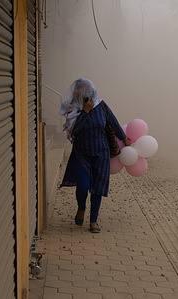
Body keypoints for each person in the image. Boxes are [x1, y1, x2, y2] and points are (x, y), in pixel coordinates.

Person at [58, 78, 131, 233]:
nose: (87, 94)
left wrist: (124, 138)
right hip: (81, 153)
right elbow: (75, 130)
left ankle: (93, 221)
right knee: (83, 186)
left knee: (98, 188)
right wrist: (85, 111)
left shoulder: (102, 106)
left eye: (88, 90)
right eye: (83, 91)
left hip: (101, 153)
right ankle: (81, 207)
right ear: (77, 93)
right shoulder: (73, 110)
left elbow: (113, 122)